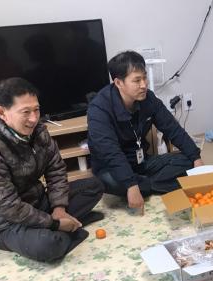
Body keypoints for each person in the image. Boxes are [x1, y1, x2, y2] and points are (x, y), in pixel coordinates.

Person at [0, 77, 104, 262]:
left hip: (38, 203)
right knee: (48, 246)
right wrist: (55, 224)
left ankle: (64, 224)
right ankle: (64, 229)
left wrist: (59, 208)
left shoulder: (38, 131)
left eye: (36, 109)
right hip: (6, 223)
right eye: (26, 112)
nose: (33, 118)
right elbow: (10, 208)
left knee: (94, 186)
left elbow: (56, 169)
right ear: (1, 112)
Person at [87, 51, 204, 214]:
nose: (144, 85)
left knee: (188, 161)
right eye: (137, 80)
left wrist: (196, 159)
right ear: (119, 83)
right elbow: (110, 153)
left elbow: (172, 128)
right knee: (107, 182)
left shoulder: (148, 98)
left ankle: (145, 185)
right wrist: (131, 185)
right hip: (111, 168)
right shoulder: (99, 109)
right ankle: (145, 184)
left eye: (144, 78)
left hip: (142, 162)